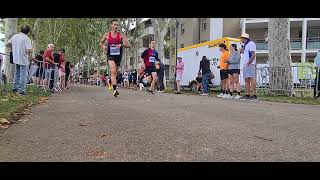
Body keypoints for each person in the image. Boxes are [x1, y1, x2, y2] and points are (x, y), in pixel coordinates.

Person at [99, 19, 131, 97]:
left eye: (117, 25)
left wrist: (122, 45)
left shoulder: (121, 35)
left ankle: (110, 81)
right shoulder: (107, 35)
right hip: (110, 55)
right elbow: (100, 43)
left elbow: (128, 45)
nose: (116, 26)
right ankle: (115, 90)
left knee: (115, 73)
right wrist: (103, 46)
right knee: (113, 71)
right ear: (111, 25)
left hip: (118, 56)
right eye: (115, 24)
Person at [6, 25, 33, 95]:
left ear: (21, 30)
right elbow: (29, 50)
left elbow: (7, 44)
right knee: (23, 75)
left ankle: (15, 88)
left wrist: (13, 48)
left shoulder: (15, 36)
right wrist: (28, 52)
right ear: (28, 32)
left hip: (15, 58)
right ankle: (21, 90)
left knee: (17, 73)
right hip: (23, 58)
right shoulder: (27, 38)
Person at [239, 33, 257, 100]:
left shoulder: (251, 43)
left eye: (241, 38)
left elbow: (253, 54)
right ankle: (247, 94)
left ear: (244, 38)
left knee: (252, 79)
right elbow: (246, 54)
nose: (241, 39)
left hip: (250, 64)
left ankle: (254, 95)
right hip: (246, 64)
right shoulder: (245, 45)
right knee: (246, 80)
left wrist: (249, 63)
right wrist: (242, 51)